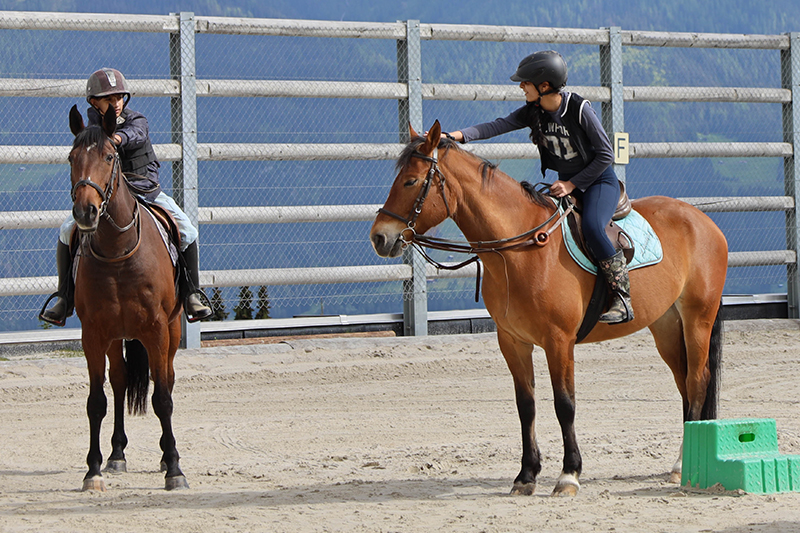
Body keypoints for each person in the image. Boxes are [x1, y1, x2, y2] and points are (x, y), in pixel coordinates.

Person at [443, 50, 633, 324]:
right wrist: (456, 136)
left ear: (544, 86)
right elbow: (499, 125)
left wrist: (571, 184)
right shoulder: (534, 110)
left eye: (525, 82)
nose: (521, 86)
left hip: (598, 182)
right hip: (565, 184)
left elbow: (606, 154)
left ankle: (622, 298)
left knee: (592, 226)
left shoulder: (580, 109)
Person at [39, 67, 212, 326]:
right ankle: (64, 297)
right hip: (107, 198)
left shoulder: (137, 120)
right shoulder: (90, 130)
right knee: (67, 232)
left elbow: (136, 134)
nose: (116, 103)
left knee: (187, 230)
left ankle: (191, 293)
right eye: (109, 99)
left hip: (145, 191)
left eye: (119, 98)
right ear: (94, 102)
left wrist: (116, 138)